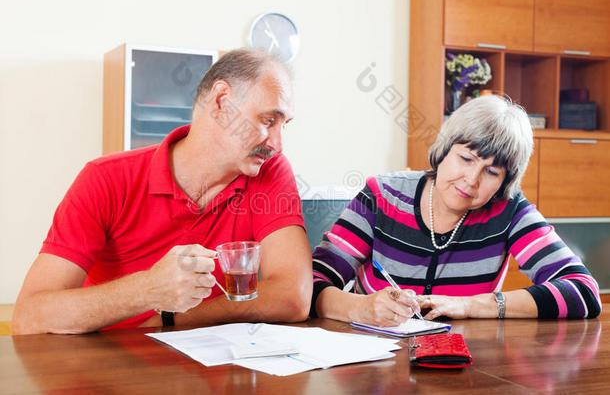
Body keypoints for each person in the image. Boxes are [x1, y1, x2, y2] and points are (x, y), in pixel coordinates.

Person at [12, 48, 313, 334]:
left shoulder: (268, 170)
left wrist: (169, 319)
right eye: (268, 120)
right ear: (222, 102)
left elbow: (293, 296)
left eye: (284, 125)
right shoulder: (104, 179)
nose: (278, 143)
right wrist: (148, 289)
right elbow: (29, 317)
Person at [311, 95, 601, 326]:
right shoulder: (381, 196)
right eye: (466, 158)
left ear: (504, 183)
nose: (471, 180)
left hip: (462, 367)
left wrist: (471, 304)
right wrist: (361, 308)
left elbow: (582, 291)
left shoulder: (509, 211)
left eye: (491, 172)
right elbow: (311, 285)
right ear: (445, 149)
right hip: (369, 365)